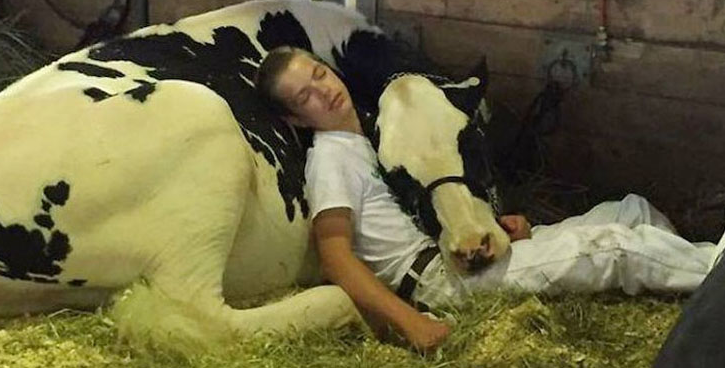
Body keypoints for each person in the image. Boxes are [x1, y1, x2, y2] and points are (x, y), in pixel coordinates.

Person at [253, 46, 717, 351]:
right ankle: (715, 277)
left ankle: (692, 296)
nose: (324, 91)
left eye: (319, 74)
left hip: (458, 250)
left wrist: (496, 225)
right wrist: (410, 323)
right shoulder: (331, 160)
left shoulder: (374, 131)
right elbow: (334, 256)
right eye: (305, 96)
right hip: (437, 280)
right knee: (614, 247)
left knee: (630, 208)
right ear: (295, 119)